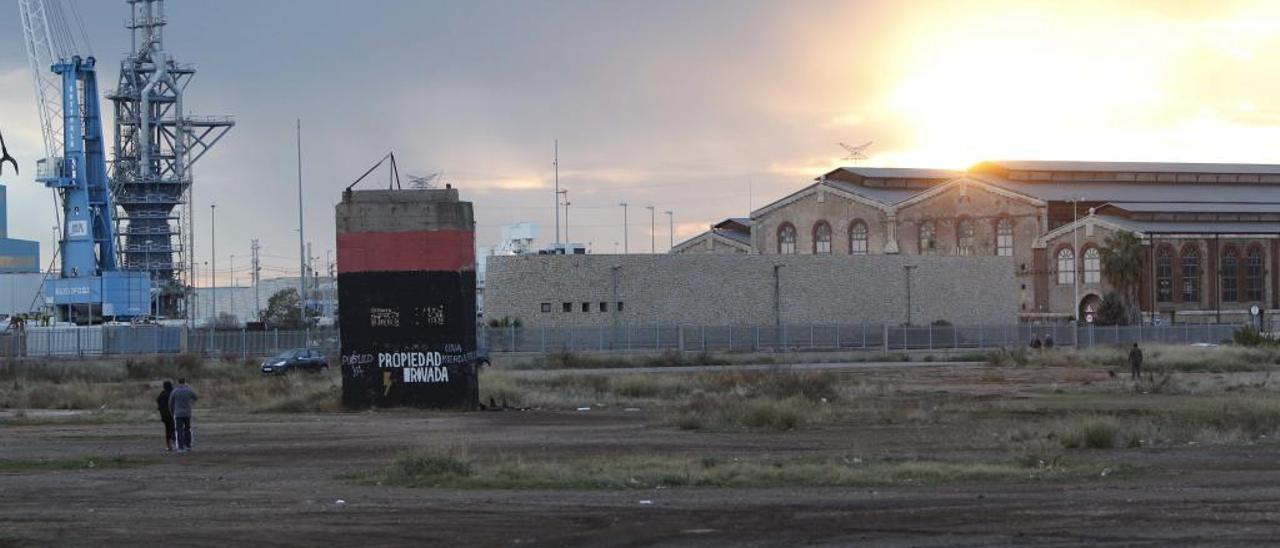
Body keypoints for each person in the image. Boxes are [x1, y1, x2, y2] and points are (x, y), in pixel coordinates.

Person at [169, 378, 199, 452]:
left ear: (178, 382)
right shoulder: (188, 390)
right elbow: (196, 397)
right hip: (187, 413)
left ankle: (180, 447)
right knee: (187, 429)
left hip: (178, 413)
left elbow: (171, 402)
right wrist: (191, 403)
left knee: (179, 430)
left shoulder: (175, 391)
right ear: (185, 382)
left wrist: (172, 411)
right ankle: (188, 446)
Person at [156, 381, 175, 452]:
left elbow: (157, 400)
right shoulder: (173, 392)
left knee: (167, 429)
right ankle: (174, 441)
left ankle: (168, 445)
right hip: (172, 414)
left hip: (164, 415)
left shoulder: (162, 393)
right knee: (173, 428)